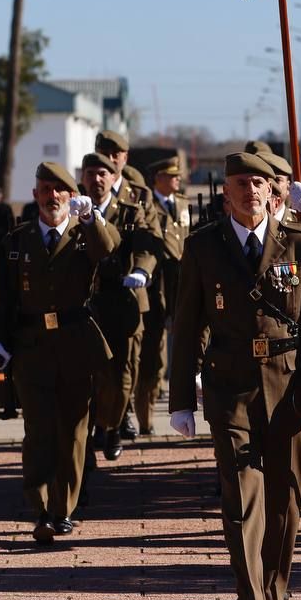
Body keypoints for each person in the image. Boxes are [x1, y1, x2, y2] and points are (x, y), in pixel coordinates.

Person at [169, 151, 301, 600]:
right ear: (225, 191)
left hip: (288, 384)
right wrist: (181, 398)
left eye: (260, 182)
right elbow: (186, 327)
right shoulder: (204, 246)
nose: (251, 190)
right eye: (241, 182)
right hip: (230, 386)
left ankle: (275, 593)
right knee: (241, 496)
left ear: (274, 190)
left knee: (285, 495)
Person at [0, 161, 120, 543]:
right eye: (46, 190)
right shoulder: (16, 242)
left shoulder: (84, 235)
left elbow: (108, 251)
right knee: (38, 431)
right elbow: (0, 299)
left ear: (71, 196)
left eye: (60, 191)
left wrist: (92, 219)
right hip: (32, 348)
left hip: (76, 344)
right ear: (35, 196)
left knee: (73, 432)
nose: (52, 197)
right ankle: (42, 509)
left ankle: (64, 509)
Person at [82, 152, 159, 461]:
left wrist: (141, 270)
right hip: (88, 303)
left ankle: (112, 425)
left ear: (114, 178)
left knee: (123, 371)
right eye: (91, 173)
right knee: (88, 372)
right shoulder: (75, 208)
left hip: (124, 300)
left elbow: (146, 242)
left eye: (103, 173)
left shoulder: (129, 209)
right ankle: (89, 432)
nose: (97, 179)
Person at [133, 156, 190, 437]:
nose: (177, 179)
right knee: (153, 359)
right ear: (157, 179)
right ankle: (145, 418)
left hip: (179, 286)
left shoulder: (182, 204)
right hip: (156, 287)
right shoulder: (147, 206)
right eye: (171, 175)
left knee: (184, 351)